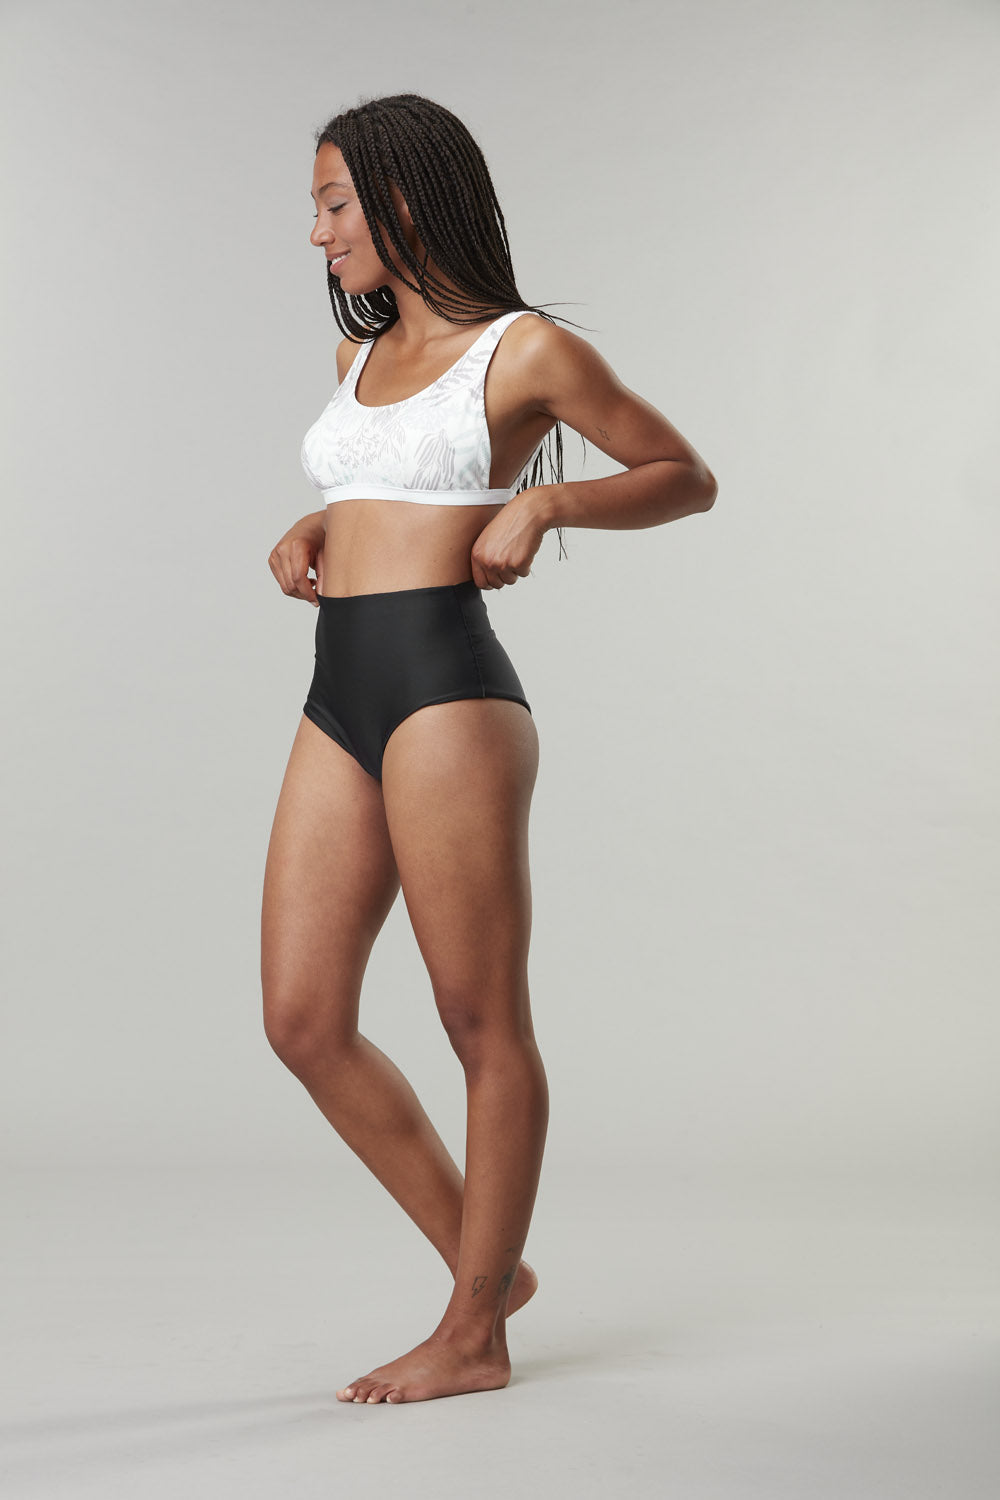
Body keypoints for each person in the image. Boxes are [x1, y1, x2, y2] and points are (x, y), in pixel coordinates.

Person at [261, 92, 717, 1407]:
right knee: (303, 1018)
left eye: (335, 205)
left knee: (479, 1019)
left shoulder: (526, 351)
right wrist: (317, 525)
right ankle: (492, 1267)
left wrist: (550, 502)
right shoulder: (360, 351)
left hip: (449, 696)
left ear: (404, 200)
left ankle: (472, 1333)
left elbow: (683, 474)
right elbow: (391, 486)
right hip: (340, 689)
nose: (317, 234)